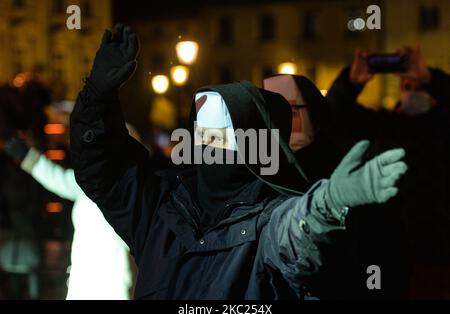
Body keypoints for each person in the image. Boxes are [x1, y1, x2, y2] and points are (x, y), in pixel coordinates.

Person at [70, 24, 408, 299]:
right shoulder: (163, 208)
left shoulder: (268, 219)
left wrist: (328, 203)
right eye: (202, 134)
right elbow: (106, 171)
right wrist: (97, 96)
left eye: (221, 136)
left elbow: (294, 234)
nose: (208, 147)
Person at [326, 46, 450, 298]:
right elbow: (333, 115)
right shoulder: (381, 126)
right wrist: (350, 82)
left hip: (439, 254)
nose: (413, 92)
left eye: (420, 87)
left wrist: (429, 77)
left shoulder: (444, 126)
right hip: (386, 250)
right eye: (407, 86)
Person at [4, 135, 134, 300]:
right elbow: (57, 178)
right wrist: (27, 157)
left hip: (113, 285)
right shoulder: (90, 183)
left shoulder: (134, 191)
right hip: (82, 283)